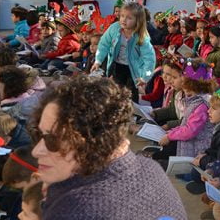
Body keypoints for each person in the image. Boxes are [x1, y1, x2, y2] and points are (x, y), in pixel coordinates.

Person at [31, 75, 187, 219]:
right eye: (38, 135)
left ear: (94, 141)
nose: (36, 151)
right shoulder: (150, 168)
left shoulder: (75, 209)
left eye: (52, 140)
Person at [91, 2, 155, 102]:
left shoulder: (142, 37)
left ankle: (133, 113)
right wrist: (98, 60)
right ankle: (117, 111)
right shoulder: (114, 28)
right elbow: (104, 44)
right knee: (116, 91)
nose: (124, 20)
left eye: (129, 18)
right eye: (122, 16)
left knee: (130, 93)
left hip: (133, 69)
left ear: (137, 21)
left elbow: (150, 59)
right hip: (117, 65)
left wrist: (145, 77)